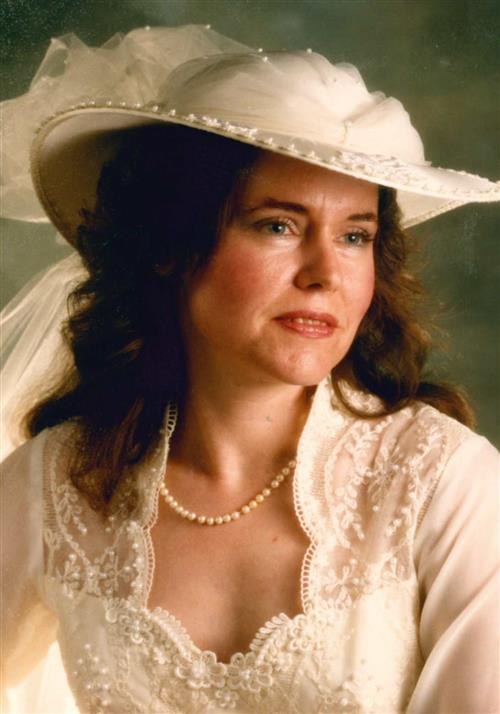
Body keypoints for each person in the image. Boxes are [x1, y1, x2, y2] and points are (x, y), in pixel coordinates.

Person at [1, 24, 499, 714]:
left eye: (355, 235)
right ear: (170, 245)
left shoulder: (444, 479)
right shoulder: (55, 484)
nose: (325, 273)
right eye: (278, 225)